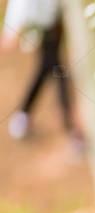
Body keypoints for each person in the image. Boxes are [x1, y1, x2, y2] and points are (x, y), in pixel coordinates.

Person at [2, 0, 78, 143]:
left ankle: (24, 115)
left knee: (47, 70)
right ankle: (71, 128)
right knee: (56, 71)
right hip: (47, 31)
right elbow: (19, 7)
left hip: (52, 28)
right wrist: (11, 31)